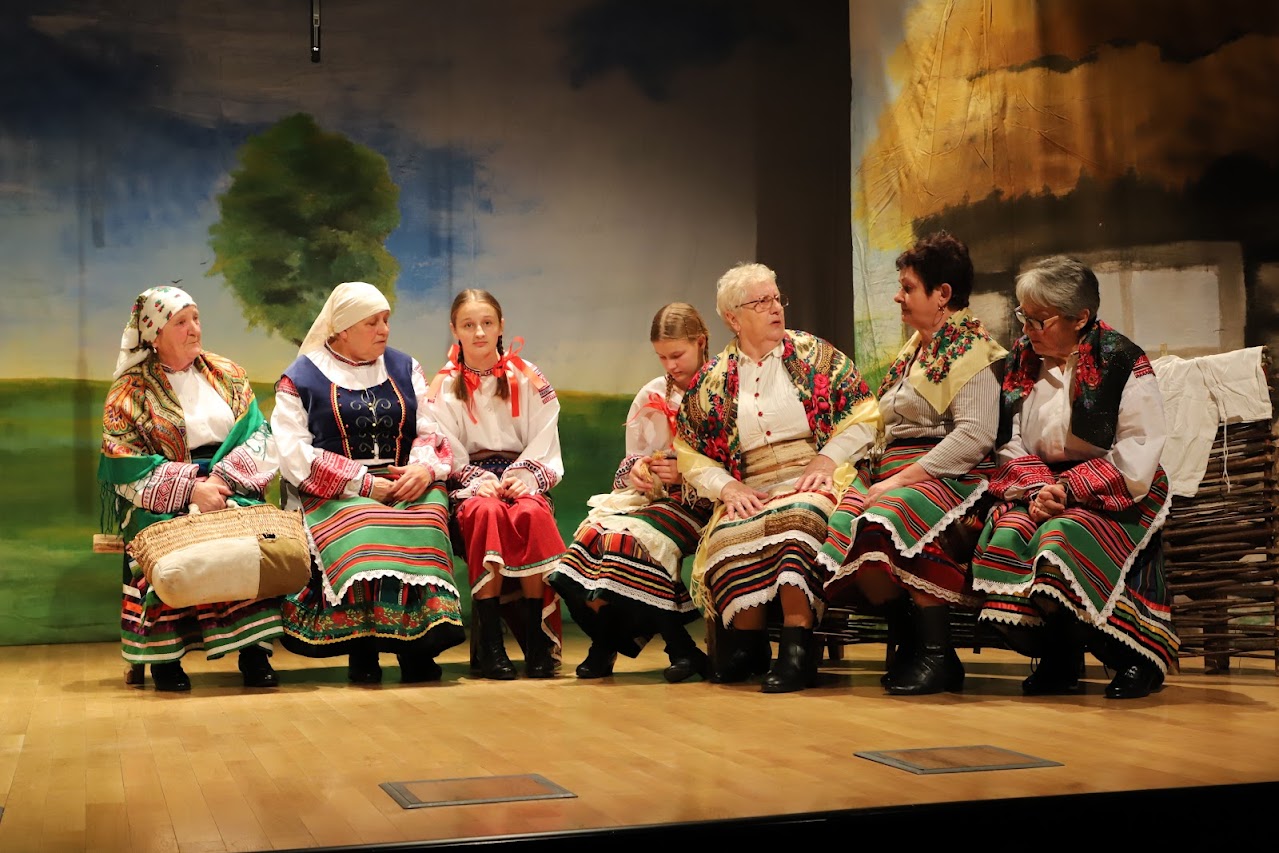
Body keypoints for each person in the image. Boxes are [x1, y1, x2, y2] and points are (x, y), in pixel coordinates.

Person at [971, 256, 1179, 700]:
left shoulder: (1121, 359)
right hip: (1038, 483)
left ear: (1080, 318)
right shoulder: (1023, 359)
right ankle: (1059, 655)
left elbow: (1139, 444)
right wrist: (1037, 489)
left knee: (1062, 538)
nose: (1027, 328)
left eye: (1039, 319)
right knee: (1008, 534)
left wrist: (1068, 489)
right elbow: (1008, 439)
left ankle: (1135, 656)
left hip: (1112, 484)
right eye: (1023, 315)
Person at [674, 263, 880, 693]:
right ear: (734, 319)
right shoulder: (713, 380)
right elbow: (689, 451)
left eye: (776, 298)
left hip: (814, 476)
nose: (775, 308)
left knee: (797, 519)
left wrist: (826, 460)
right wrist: (728, 487)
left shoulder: (815, 355)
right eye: (761, 302)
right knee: (729, 531)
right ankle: (748, 646)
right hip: (752, 485)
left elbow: (864, 414)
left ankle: (797, 646)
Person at [818, 232, 1006, 695]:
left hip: (947, 473)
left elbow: (975, 436)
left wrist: (901, 478)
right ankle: (910, 638)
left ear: (943, 294)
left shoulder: (972, 353)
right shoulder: (917, 349)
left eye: (907, 288)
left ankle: (939, 655)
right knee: (840, 519)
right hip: (896, 469)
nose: (898, 297)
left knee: (888, 514)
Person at [272, 281, 466, 684]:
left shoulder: (404, 367)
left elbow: (430, 427)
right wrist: (361, 484)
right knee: (364, 525)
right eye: (372, 322)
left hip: (406, 479)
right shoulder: (300, 378)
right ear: (342, 329)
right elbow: (292, 453)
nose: (384, 330)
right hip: (336, 489)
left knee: (427, 517)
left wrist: (423, 470)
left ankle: (420, 645)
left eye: (386, 320)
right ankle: (364, 647)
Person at [99, 285, 283, 692]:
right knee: (162, 541)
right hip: (162, 495)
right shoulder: (129, 391)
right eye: (181, 322)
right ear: (155, 334)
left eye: (196, 319)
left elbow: (260, 436)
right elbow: (123, 460)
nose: (194, 329)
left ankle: (254, 652)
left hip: (229, 482)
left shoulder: (228, 374)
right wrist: (189, 490)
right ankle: (165, 657)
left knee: (248, 536)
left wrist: (221, 482)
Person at [548, 303, 714, 682]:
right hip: (654, 501)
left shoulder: (721, 391)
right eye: (662, 357)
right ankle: (666, 649)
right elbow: (631, 460)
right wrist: (639, 470)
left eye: (677, 355)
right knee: (592, 537)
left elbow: (735, 461)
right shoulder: (652, 394)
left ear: (701, 342)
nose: (670, 365)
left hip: (705, 503)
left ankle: (623, 647)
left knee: (630, 541)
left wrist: (685, 473)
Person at [426, 289, 565, 679]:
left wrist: (524, 478)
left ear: (501, 326)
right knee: (486, 512)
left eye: (487, 323)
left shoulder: (527, 377)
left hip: (522, 478)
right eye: (468, 325)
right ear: (455, 330)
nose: (479, 333)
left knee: (532, 514)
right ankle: (491, 644)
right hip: (472, 485)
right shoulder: (444, 386)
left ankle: (537, 640)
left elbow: (545, 435)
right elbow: (442, 446)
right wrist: (477, 480)